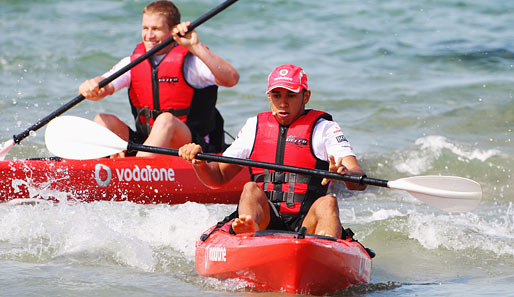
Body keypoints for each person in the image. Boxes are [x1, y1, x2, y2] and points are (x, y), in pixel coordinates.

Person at [179, 64, 366, 238]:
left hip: (308, 224)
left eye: (291, 95)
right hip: (265, 219)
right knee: (250, 189)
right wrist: (200, 164)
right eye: (277, 95)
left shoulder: (324, 129)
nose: (283, 103)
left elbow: (358, 177)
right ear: (269, 97)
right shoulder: (254, 127)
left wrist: (345, 174)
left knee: (328, 202)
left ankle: (325, 249)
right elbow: (217, 177)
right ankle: (248, 231)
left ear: (306, 96)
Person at [79, 0, 239, 157]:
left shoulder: (191, 63)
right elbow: (104, 87)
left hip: (191, 148)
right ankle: (96, 171)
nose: (148, 35)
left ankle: (139, 169)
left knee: (165, 120)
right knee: (102, 121)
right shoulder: (132, 62)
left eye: (155, 29)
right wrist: (91, 87)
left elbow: (231, 79)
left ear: (172, 31)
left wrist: (195, 46)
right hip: (147, 144)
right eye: (145, 28)